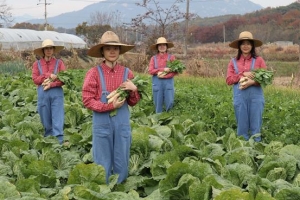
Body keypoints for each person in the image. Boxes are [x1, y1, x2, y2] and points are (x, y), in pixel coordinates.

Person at [82, 31, 140, 183]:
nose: (112, 51)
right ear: (102, 51)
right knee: (102, 161)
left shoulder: (127, 73)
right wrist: (109, 105)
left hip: (122, 123)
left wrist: (134, 90)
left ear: (120, 51)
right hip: (102, 123)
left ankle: (120, 190)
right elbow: (87, 100)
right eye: (108, 48)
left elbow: (133, 102)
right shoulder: (93, 73)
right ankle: (104, 191)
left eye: (115, 48)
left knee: (122, 160)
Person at [226, 31, 267, 142]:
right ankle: (243, 149)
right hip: (240, 98)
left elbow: (265, 79)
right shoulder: (233, 62)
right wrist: (242, 74)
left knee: (255, 127)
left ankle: (256, 151)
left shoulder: (259, 60)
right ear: (239, 46)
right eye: (243, 43)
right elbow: (229, 80)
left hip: (256, 98)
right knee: (242, 127)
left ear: (252, 46)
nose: (245, 46)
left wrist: (252, 82)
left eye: (248, 43)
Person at [32, 39, 66, 144]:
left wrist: (52, 84)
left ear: (53, 50)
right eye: (46, 48)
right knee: (45, 119)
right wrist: (48, 76)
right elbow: (35, 79)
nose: (48, 50)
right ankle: (48, 140)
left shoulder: (59, 63)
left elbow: (64, 79)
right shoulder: (36, 64)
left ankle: (59, 141)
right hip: (43, 94)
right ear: (43, 50)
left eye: (50, 48)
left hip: (56, 93)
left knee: (57, 117)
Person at [148, 37, 177, 113]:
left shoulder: (172, 58)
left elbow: (175, 71)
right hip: (157, 85)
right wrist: (162, 70)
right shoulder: (153, 58)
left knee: (170, 102)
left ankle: (169, 120)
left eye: (164, 45)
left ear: (166, 47)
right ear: (157, 47)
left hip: (168, 84)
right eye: (160, 45)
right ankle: (158, 120)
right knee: (158, 103)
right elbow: (150, 70)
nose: (162, 47)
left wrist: (165, 76)